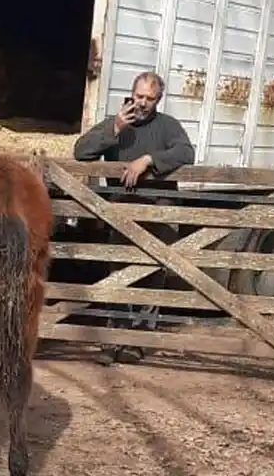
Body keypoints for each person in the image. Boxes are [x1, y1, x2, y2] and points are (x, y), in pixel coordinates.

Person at [73, 70, 195, 365]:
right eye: (138, 96)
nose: (142, 104)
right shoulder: (117, 122)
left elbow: (186, 152)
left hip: (156, 211)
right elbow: (80, 152)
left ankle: (138, 340)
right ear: (131, 94)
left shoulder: (167, 126)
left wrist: (148, 160)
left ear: (158, 100)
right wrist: (113, 129)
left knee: (151, 274)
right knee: (119, 273)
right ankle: (115, 336)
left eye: (149, 99)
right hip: (122, 212)